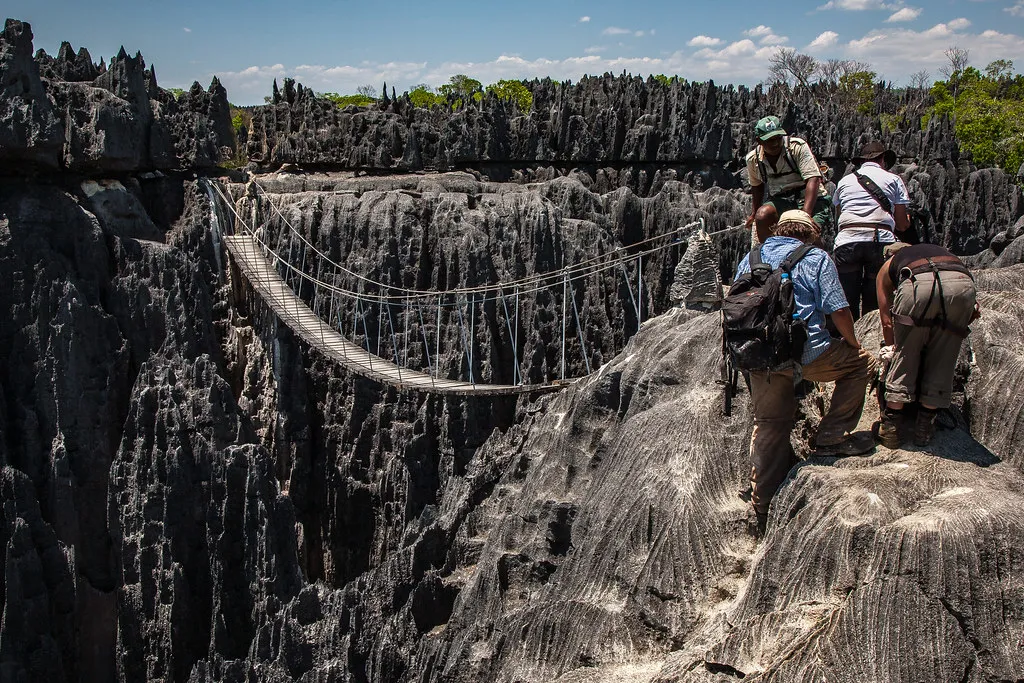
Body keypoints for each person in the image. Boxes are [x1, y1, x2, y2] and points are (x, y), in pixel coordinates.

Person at [736, 210, 876, 533]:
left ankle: (762, 505)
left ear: (778, 230)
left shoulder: (751, 257)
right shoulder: (817, 257)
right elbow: (839, 309)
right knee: (861, 365)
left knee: (769, 424)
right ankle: (829, 436)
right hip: (809, 355)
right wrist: (853, 343)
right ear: (810, 233)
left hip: (763, 356)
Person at [875, 242, 980, 448]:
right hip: (961, 282)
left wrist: (893, 348)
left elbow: (887, 320)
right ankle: (924, 428)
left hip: (917, 284)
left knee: (906, 352)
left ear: (889, 255)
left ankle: (891, 428)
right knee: (944, 355)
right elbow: (973, 309)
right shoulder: (941, 251)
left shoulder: (888, 266)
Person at [832, 142, 911, 319]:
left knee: (846, 298)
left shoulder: (844, 181)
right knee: (876, 297)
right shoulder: (893, 179)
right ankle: (873, 337)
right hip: (880, 240)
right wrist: (906, 221)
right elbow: (901, 224)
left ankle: (849, 341)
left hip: (847, 240)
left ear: (861, 162)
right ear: (882, 159)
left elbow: (839, 216)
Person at [745, 116, 832, 246]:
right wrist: (754, 213)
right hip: (781, 200)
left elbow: (813, 179)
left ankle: (815, 258)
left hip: (810, 200)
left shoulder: (797, 147)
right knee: (762, 215)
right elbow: (757, 186)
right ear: (759, 141)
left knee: (807, 236)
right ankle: (767, 254)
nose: (775, 144)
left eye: (778, 138)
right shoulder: (753, 159)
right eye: (770, 140)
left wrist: (805, 215)